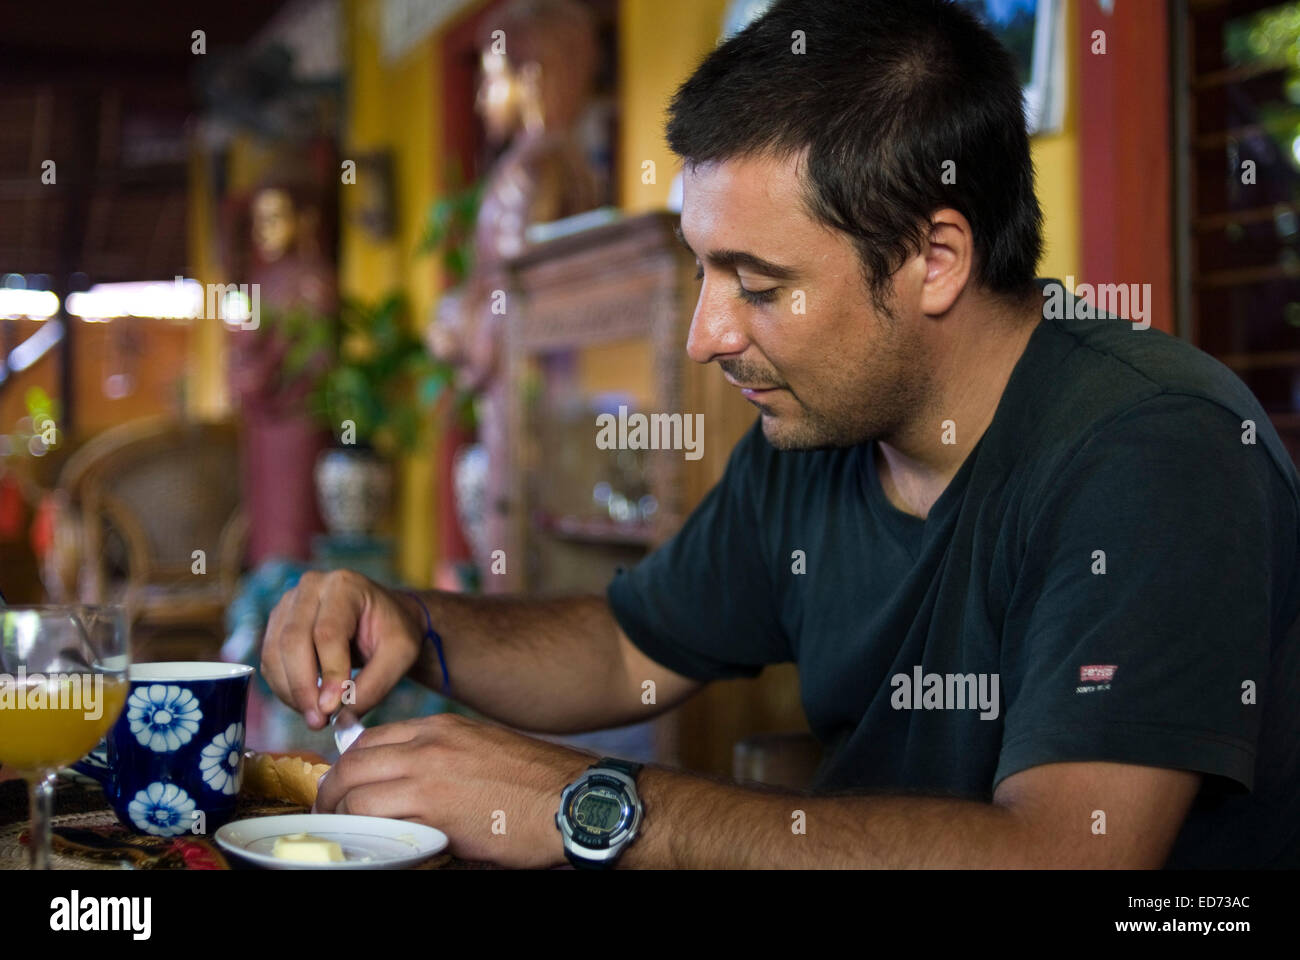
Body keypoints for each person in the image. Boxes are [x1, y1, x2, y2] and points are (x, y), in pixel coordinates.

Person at [261, 0, 1300, 868]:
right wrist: (412, 624)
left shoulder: (1156, 449)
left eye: (759, 285)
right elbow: (628, 645)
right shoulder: (822, 428)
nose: (710, 335)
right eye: (703, 272)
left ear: (935, 258)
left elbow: (1066, 859)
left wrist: (585, 803)